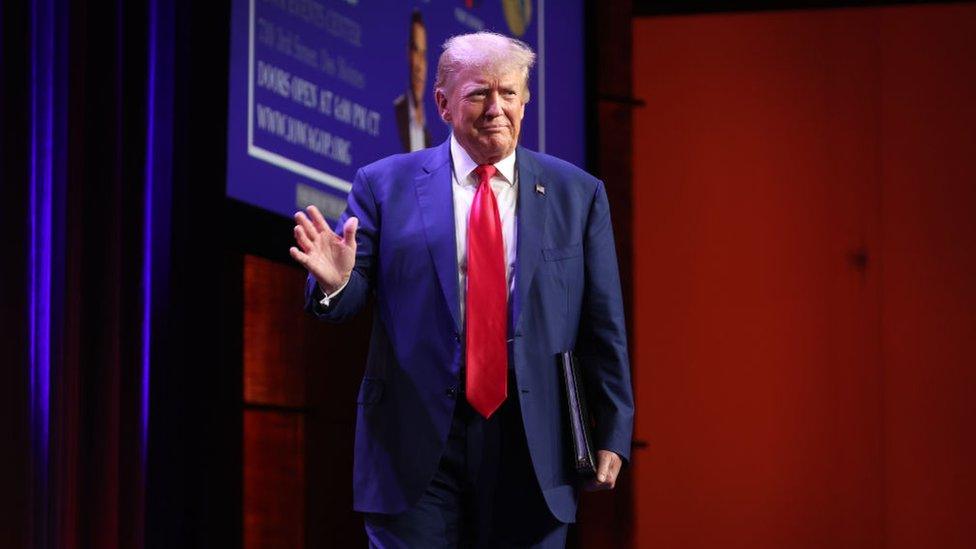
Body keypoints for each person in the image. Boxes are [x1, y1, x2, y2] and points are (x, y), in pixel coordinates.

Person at [290, 32, 633, 548]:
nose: (496, 108)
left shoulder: (578, 194)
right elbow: (350, 295)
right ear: (444, 103)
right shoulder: (384, 185)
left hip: (533, 442)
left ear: (526, 100)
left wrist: (611, 431)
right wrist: (337, 285)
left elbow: (603, 324)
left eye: (509, 94)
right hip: (415, 445)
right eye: (478, 94)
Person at [393, 10, 433, 152]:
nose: (419, 66)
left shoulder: (432, 135)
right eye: (415, 51)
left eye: (424, 54)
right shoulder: (396, 112)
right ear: (407, 53)